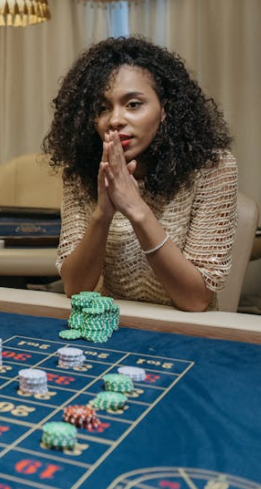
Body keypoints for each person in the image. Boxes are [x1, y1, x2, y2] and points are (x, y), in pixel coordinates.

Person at [43, 36, 237, 312]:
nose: (115, 119)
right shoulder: (82, 174)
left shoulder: (212, 168)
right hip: (116, 325)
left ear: (165, 110)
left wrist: (135, 207)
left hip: (191, 332)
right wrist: (103, 214)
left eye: (133, 104)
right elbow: (75, 288)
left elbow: (195, 300)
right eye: (102, 108)